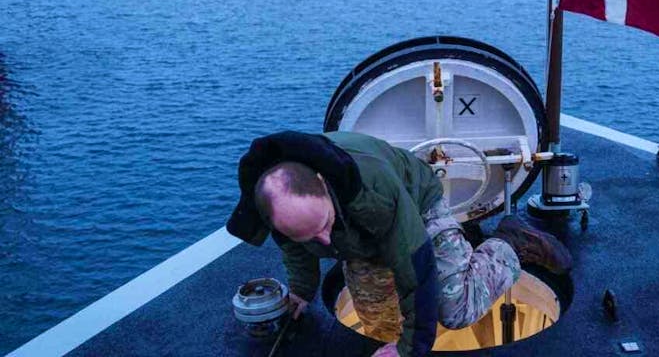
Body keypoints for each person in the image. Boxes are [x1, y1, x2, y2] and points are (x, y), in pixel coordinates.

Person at [226, 130, 572, 357]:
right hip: (357, 230)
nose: (324, 242)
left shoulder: (375, 193)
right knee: (376, 319)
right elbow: (294, 247)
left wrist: (409, 350)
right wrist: (301, 289)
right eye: (309, 236)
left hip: (416, 204)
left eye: (323, 225)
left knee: (454, 309)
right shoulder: (274, 205)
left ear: (322, 184)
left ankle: (510, 244)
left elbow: (415, 269)